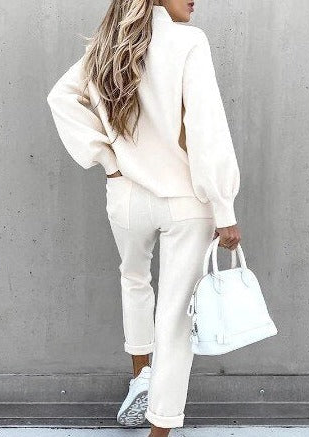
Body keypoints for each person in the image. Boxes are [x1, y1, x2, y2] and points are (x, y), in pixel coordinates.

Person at [46, 0, 241, 435]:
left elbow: (61, 97)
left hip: (127, 195)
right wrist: (223, 207)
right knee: (175, 316)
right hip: (184, 200)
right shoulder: (189, 42)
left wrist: (107, 159)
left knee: (134, 279)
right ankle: (161, 427)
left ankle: (141, 376)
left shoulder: (106, 46)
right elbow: (207, 127)